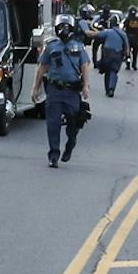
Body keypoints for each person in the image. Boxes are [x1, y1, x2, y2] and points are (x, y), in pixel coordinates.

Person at [29, 14, 92, 169]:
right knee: (53, 124)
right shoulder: (51, 47)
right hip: (54, 90)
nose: (63, 30)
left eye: (66, 27)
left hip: (72, 91)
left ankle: (70, 144)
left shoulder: (78, 47)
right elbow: (41, 68)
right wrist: (35, 88)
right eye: (60, 27)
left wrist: (86, 86)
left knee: (74, 124)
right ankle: (54, 155)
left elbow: (84, 67)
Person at [94, 16, 129, 97]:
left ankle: (108, 89)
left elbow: (97, 35)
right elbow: (127, 48)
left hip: (107, 54)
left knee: (107, 71)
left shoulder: (108, 32)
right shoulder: (123, 34)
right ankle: (111, 88)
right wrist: (126, 56)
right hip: (118, 54)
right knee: (113, 71)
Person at [124, 6, 138, 71]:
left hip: (128, 38)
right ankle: (134, 65)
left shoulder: (127, 19)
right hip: (136, 38)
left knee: (128, 52)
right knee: (135, 53)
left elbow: (124, 27)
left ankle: (128, 64)